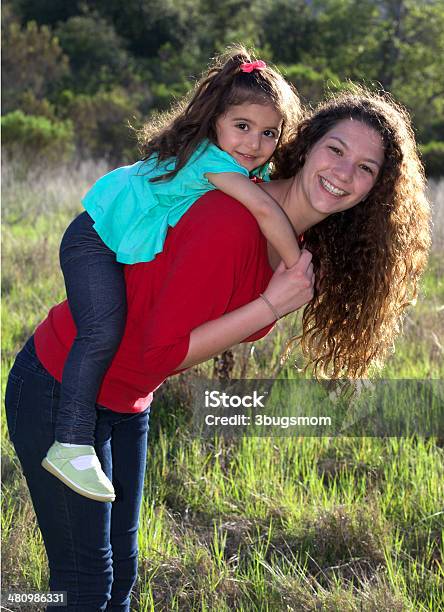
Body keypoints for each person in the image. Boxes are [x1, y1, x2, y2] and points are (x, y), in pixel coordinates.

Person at [5, 88, 430, 610]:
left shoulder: (295, 252)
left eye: (366, 168)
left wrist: (276, 298)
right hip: (59, 388)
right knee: (86, 585)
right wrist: (271, 306)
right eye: (336, 150)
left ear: (376, 190)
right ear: (306, 145)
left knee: (117, 584)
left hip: (126, 402)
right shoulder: (232, 222)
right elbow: (157, 354)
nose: (344, 173)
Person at [42, 46, 303, 503]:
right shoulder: (213, 161)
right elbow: (264, 209)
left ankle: (77, 438)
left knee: (110, 324)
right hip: (94, 236)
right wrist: (296, 267)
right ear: (215, 119)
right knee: (102, 329)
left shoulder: (241, 167)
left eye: (268, 133)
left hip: (111, 237)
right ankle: (71, 442)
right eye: (241, 126)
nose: (253, 143)